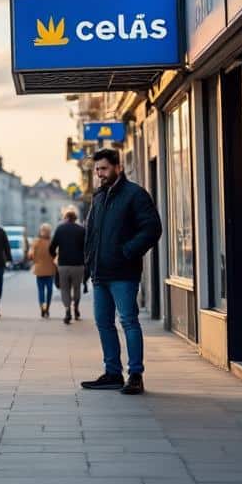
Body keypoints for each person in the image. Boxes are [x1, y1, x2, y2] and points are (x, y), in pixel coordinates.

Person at [81, 148, 163, 396]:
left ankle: (135, 375)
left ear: (118, 167)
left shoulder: (135, 195)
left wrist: (127, 251)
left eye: (104, 168)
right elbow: (92, 233)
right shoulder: (99, 197)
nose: (100, 174)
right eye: (97, 170)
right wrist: (89, 262)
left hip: (123, 273)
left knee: (128, 321)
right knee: (103, 323)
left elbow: (152, 229)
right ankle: (113, 373)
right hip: (100, 273)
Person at [49, 208, 87, 324]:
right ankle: (76, 308)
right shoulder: (81, 230)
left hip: (64, 264)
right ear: (75, 219)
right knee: (77, 288)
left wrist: (56, 256)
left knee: (64, 288)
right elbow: (86, 247)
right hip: (78, 265)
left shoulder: (60, 229)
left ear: (65, 218)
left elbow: (52, 247)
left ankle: (67, 310)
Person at [28, 223, 57, 318]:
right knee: (49, 290)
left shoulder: (36, 241)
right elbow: (56, 255)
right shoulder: (52, 242)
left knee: (41, 290)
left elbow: (30, 255)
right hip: (50, 270)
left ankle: (42, 306)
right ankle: (47, 308)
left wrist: (35, 260)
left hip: (39, 270)